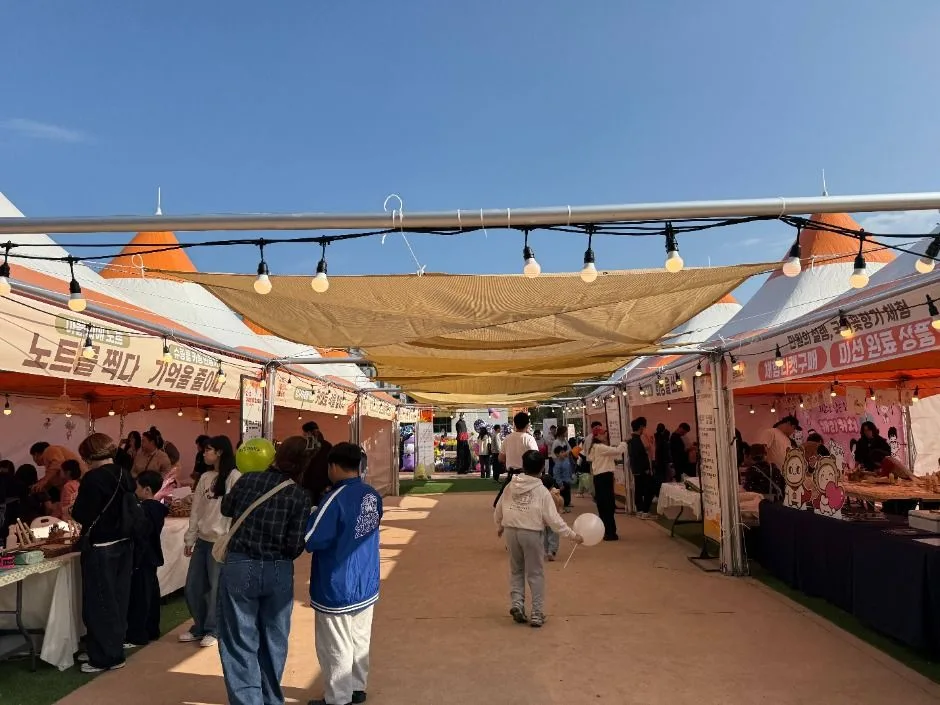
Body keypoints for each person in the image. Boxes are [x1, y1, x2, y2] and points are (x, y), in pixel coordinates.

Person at [218, 437, 312, 705]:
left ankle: (248, 700)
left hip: (240, 564)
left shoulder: (248, 480)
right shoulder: (299, 495)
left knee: (239, 638)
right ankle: (271, 698)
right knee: (274, 638)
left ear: (276, 455)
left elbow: (226, 508)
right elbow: (295, 546)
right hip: (278, 569)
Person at [305, 443, 383, 705]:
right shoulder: (371, 494)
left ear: (334, 466)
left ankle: (338, 698)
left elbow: (312, 538)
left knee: (335, 645)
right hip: (366, 580)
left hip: (337, 584)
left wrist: (312, 514)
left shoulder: (333, 499)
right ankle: (357, 688)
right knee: (359, 638)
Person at [494, 449, 582, 627]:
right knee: (535, 573)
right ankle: (537, 613)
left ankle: (517, 604)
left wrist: (499, 525)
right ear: (542, 468)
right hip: (531, 532)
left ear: (523, 466)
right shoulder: (542, 491)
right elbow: (554, 520)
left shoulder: (511, 485)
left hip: (511, 530)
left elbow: (499, 507)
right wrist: (573, 535)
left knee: (517, 570)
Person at [71, 433, 135, 673]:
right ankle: (108, 648)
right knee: (117, 599)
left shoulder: (93, 478)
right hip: (124, 542)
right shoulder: (124, 473)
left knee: (99, 603)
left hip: (101, 546)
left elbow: (81, 513)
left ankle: (106, 657)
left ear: (89, 456)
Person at [180, 435, 241, 648]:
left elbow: (237, 513)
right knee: (193, 586)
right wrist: (190, 537)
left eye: (208, 450)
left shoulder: (234, 477)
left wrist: (230, 539)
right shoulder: (205, 477)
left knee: (216, 587)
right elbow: (196, 510)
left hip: (220, 541)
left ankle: (214, 629)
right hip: (202, 540)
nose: (204, 453)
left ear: (220, 452)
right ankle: (200, 626)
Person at [126, 470, 168, 647]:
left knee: (140, 597)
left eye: (137, 486)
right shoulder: (156, 508)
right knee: (150, 595)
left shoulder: (145, 509)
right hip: (151, 556)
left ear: (147, 489)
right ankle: (151, 630)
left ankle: (138, 635)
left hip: (143, 557)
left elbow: (141, 532)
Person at [589, 423, 627, 541]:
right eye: (602, 434)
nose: (605, 435)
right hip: (604, 477)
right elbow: (618, 451)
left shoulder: (595, 447)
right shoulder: (600, 447)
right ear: (597, 436)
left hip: (600, 478)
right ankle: (610, 532)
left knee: (603, 505)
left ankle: (606, 530)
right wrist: (624, 442)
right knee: (607, 505)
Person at [494, 412, 539, 508]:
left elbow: (500, 458)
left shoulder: (507, 438)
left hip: (512, 477)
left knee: (508, 502)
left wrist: (510, 459)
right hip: (527, 476)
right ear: (527, 424)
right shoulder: (529, 439)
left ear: (514, 424)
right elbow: (536, 458)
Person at [301, 421, 334, 507]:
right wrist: (330, 483)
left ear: (308, 433)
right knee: (321, 510)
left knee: (308, 509)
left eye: (304, 433)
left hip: (308, 485)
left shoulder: (305, 446)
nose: (303, 435)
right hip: (324, 486)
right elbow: (332, 465)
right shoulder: (328, 445)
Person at [628, 418, 655, 519]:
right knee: (648, 489)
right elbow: (640, 456)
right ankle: (645, 511)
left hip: (636, 469)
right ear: (641, 427)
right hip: (642, 469)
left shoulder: (632, 439)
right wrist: (646, 468)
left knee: (638, 489)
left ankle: (640, 510)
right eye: (644, 427)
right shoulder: (636, 440)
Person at [551, 445, 574, 511]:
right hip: (561, 482)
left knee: (568, 493)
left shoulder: (567, 460)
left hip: (567, 480)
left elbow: (569, 469)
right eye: (561, 452)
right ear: (557, 455)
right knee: (562, 495)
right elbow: (557, 475)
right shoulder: (558, 464)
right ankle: (562, 506)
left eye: (564, 452)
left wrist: (571, 476)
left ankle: (567, 503)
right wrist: (560, 484)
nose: (563, 453)